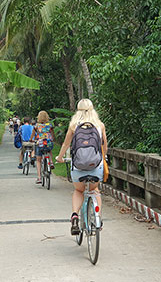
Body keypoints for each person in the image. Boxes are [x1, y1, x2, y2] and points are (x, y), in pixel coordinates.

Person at [55, 99, 109, 236]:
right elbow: (104, 147)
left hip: (78, 166)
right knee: (95, 189)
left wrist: (59, 158)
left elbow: (66, 144)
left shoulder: (74, 125)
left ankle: (74, 216)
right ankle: (97, 220)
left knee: (79, 191)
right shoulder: (99, 125)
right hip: (96, 165)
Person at [32, 111, 55, 184]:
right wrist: (53, 139)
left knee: (38, 160)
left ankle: (39, 177)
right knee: (49, 151)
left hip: (40, 144)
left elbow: (33, 134)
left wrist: (31, 139)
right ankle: (51, 162)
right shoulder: (50, 125)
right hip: (48, 143)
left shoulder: (37, 126)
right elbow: (52, 134)